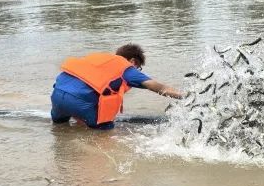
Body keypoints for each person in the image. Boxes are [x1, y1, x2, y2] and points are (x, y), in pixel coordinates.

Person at [51, 44, 183, 130]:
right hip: (81, 103)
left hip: (57, 95)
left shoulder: (98, 58)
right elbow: (156, 86)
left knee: (59, 127)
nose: (137, 70)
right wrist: (186, 96)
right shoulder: (126, 68)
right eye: (138, 67)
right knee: (104, 132)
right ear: (132, 61)